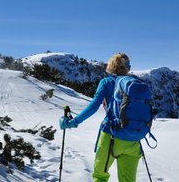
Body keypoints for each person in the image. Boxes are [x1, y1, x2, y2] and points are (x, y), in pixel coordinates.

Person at [59, 53, 142, 182]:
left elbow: (93, 107)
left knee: (100, 177)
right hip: (133, 139)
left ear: (111, 67)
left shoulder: (107, 82)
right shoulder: (136, 84)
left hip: (111, 136)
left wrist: (73, 122)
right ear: (128, 68)